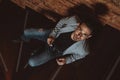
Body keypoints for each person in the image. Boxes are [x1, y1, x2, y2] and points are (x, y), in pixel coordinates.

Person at [20, 15, 97, 67]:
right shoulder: (73, 19)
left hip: (54, 51)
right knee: (27, 32)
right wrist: (52, 35)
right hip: (50, 35)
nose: (79, 35)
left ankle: (38, 49)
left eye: (84, 34)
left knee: (32, 63)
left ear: (88, 37)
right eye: (80, 29)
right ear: (78, 25)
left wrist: (66, 60)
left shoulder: (84, 50)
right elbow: (61, 22)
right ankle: (25, 39)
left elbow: (78, 56)